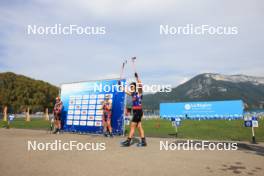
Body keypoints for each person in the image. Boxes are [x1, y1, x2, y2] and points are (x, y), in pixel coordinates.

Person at [120, 72, 147, 147]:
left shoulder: (139, 93)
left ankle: (128, 141)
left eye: (132, 87)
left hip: (138, 112)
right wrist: (120, 85)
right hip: (136, 112)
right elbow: (125, 91)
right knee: (139, 127)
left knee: (132, 126)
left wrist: (137, 77)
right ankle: (143, 141)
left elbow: (140, 85)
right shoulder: (132, 94)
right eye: (130, 87)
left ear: (135, 87)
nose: (131, 88)